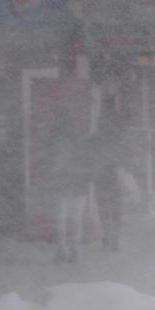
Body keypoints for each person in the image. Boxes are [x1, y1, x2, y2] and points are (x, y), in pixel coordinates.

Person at [48, 119, 92, 263]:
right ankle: (75, 251)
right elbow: (87, 168)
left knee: (60, 220)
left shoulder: (56, 145)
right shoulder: (81, 146)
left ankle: (62, 251)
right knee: (75, 220)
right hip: (79, 188)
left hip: (62, 187)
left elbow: (54, 168)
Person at [92, 109, 125, 252]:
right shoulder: (118, 139)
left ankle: (107, 236)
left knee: (104, 210)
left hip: (102, 177)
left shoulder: (96, 139)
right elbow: (125, 158)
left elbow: (92, 157)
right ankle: (114, 239)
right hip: (114, 177)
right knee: (115, 211)